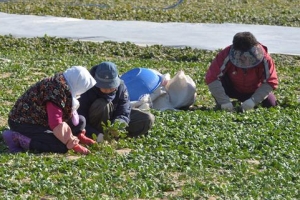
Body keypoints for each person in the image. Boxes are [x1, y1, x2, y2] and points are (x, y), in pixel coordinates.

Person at [2, 66, 97, 154]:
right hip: (24, 123)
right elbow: (55, 123)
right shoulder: (56, 93)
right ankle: (15, 138)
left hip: (41, 120)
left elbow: (70, 116)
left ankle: (77, 136)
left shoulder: (62, 82)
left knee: (80, 120)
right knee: (61, 146)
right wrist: (72, 143)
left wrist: (78, 134)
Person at [77, 61, 155, 141]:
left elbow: (124, 112)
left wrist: (118, 125)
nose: (108, 90)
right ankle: (101, 136)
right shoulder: (87, 87)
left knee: (147, 118)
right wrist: (96, 135)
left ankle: (112, 136)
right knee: (102, 104)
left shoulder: (121, 87)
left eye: (111, 86)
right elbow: (80, 118)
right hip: (94, 123)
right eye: (104, 87)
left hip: (112, 119)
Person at [205, 31, 278, 111]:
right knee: (221, 101)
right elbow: (212, 77)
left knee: (271, 104)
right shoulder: (226, 54)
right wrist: (224, 102)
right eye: (242, 55)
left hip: (253, 90)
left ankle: (249, 101)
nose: (245, 59)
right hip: (231, 88)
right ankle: (224, 103)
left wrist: (253, 101)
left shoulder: (265, 58)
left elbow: (271, 81)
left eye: (249, 55)